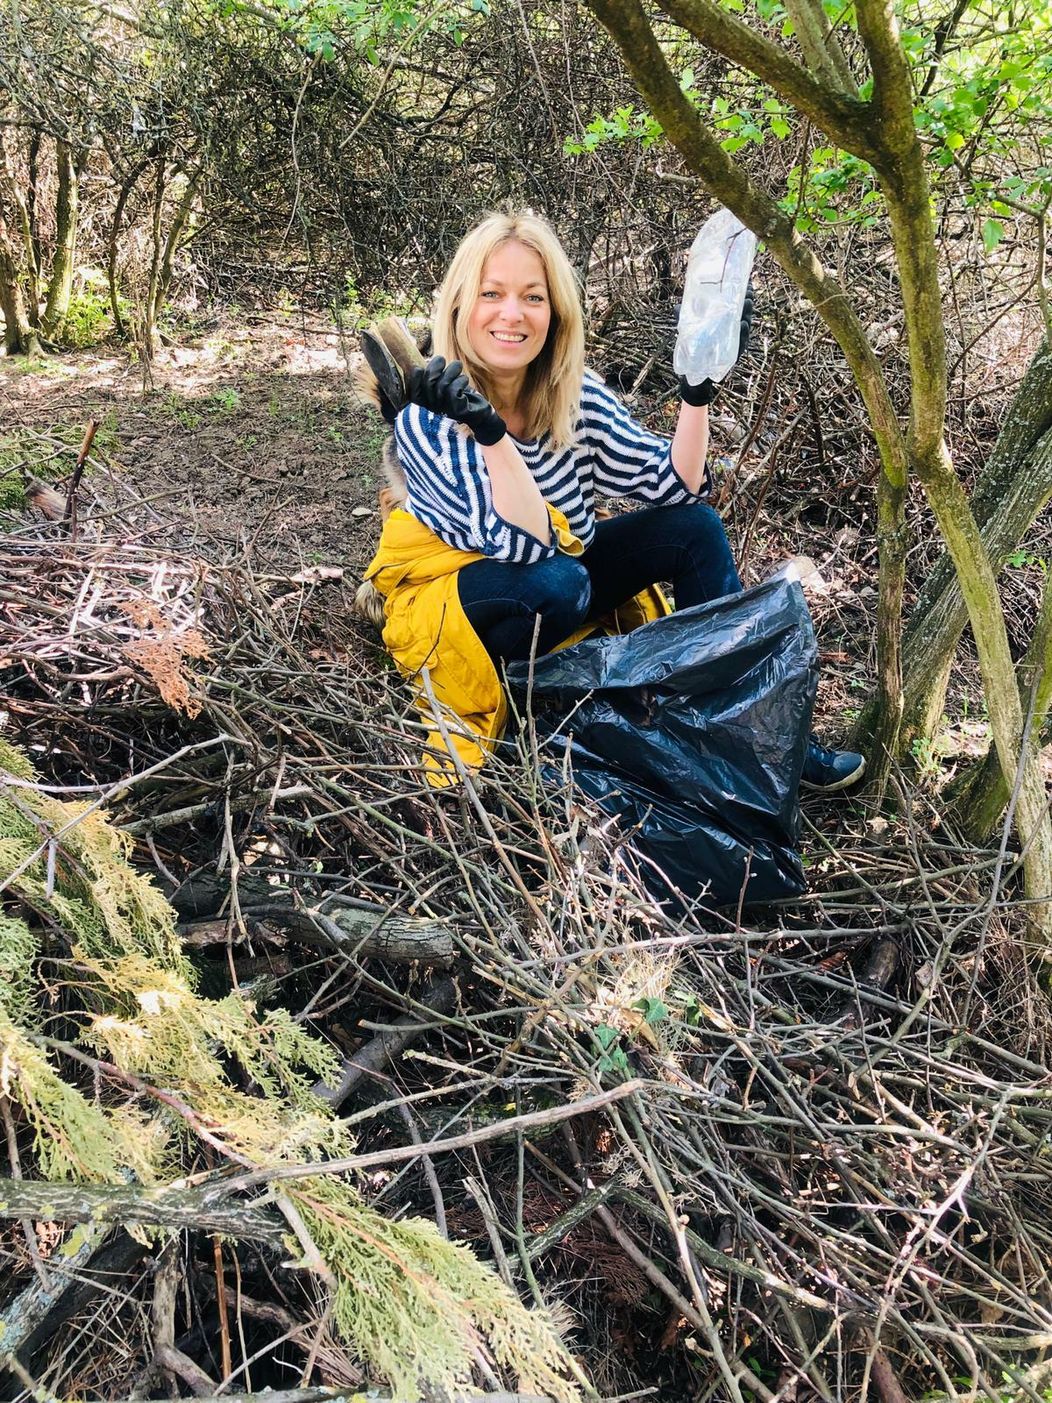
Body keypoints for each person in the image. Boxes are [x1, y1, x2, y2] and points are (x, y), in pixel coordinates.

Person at [360, 210, 863, 792]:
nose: (512, 314)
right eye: (491, 294)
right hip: (475, 604)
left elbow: (676, 487)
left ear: (556, 313)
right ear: (459, 307)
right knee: (560, 583)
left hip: (561, 576)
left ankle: (753, 733)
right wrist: (491, 433)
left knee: (692, 529)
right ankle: (539, 703)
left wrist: (697, 384)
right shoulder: (427, 421)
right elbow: (521, 546)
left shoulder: (574, 396)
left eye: (533, 297)